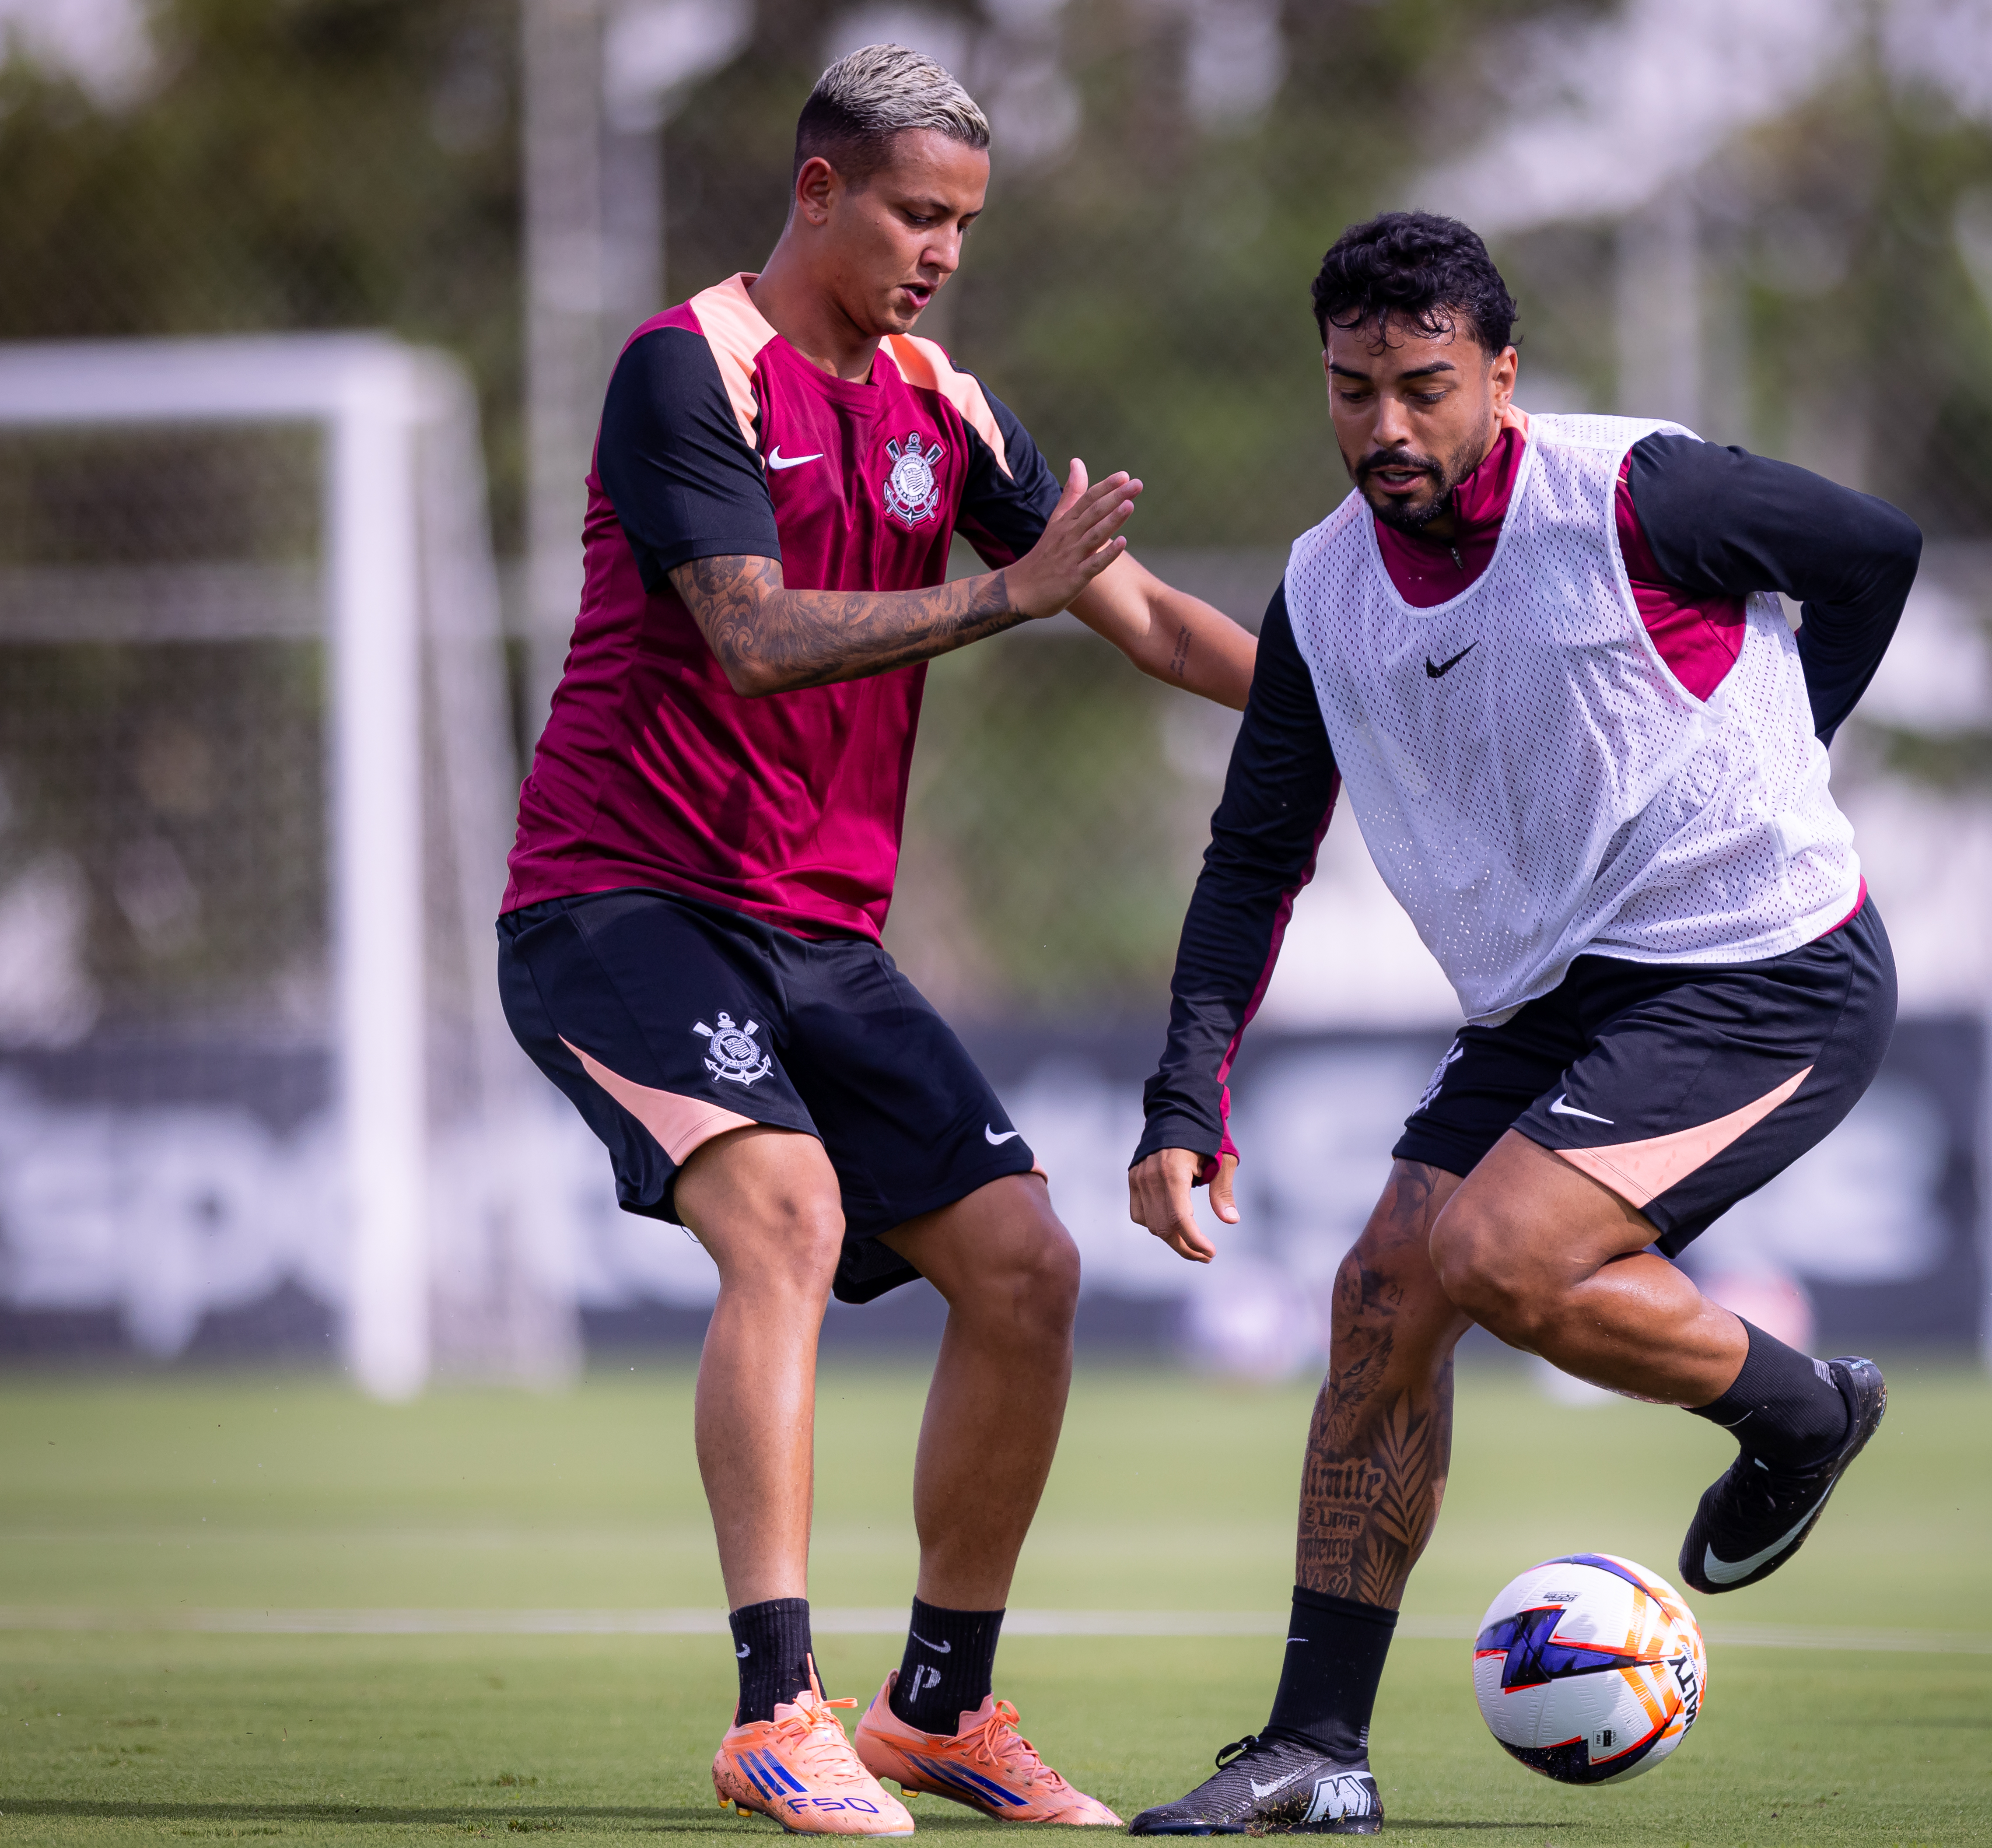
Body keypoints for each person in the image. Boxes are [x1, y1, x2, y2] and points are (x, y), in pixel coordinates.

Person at [497, 44, 1256, 1837]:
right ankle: (777, 1711)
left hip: (819, 937)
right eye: (917, 212)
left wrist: (1371, 708)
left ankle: (935, 1707)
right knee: (788, 1214)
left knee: (1026, 1272)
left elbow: (1143, 624)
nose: (943, 251)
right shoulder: (684, 371)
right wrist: (1009, 593)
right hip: (622, 904)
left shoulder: (939, 401)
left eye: (966, 224)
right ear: (817, 188)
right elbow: (750, 637)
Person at [1124, 212, 1918, 1833]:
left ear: (1501, 370)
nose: (1385, 429)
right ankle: (1316, 1756)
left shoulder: (1638, 491)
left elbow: (1871, 551)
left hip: (1763, 961)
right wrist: (1182, 1097)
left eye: (1424, 386)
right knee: (1380, 1297)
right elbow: (1254, 856)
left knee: (1498, 1256)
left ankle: (1804, 1411)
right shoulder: (1324, 594)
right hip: (1553, 998)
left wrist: (1787, 732)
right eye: (1352, 391)